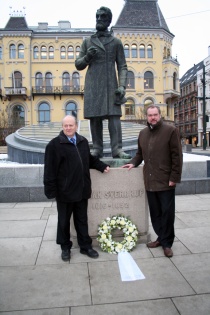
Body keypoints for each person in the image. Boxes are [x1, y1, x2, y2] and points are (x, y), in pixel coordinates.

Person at [43, 115, 110, 261]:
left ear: (76, 126)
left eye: (71, 125)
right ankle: (65, 247)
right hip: (64, 192)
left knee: (82, 220)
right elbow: (49, 170)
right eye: (65, 125)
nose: (68, 128)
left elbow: (89, 159)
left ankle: (85, 246)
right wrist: (51, 191)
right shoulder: (54, 145)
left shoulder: (82, 141)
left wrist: (102, 166)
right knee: (64, 221)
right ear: (62, 127)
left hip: (82, 190)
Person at [122, 105, 182, 257]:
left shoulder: (170, 131)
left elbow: (177, 156)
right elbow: (139, 154)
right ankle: (161, 238)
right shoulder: (143, 133)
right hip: (149, 180)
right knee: (155, 214)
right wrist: (133, 163)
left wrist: (174, 178)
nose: (153, 117)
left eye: (155, 114)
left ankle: (167, 243)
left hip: (165, 180)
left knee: (167, 214)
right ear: (147, 116)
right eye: (150, 115)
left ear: (160, 115)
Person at [75, 6, 131, 159]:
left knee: (114, 117)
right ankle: (97, 149)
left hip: (111, 85)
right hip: (93, 84)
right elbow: (78, 64)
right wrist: (87, 57)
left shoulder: (116, 42)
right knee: (95, 118)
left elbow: (122, 66)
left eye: (103, 17)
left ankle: (117, 149)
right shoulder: (87, 42)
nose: (99, 19)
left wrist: (122, 86)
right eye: (97, 16)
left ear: (108, 20)